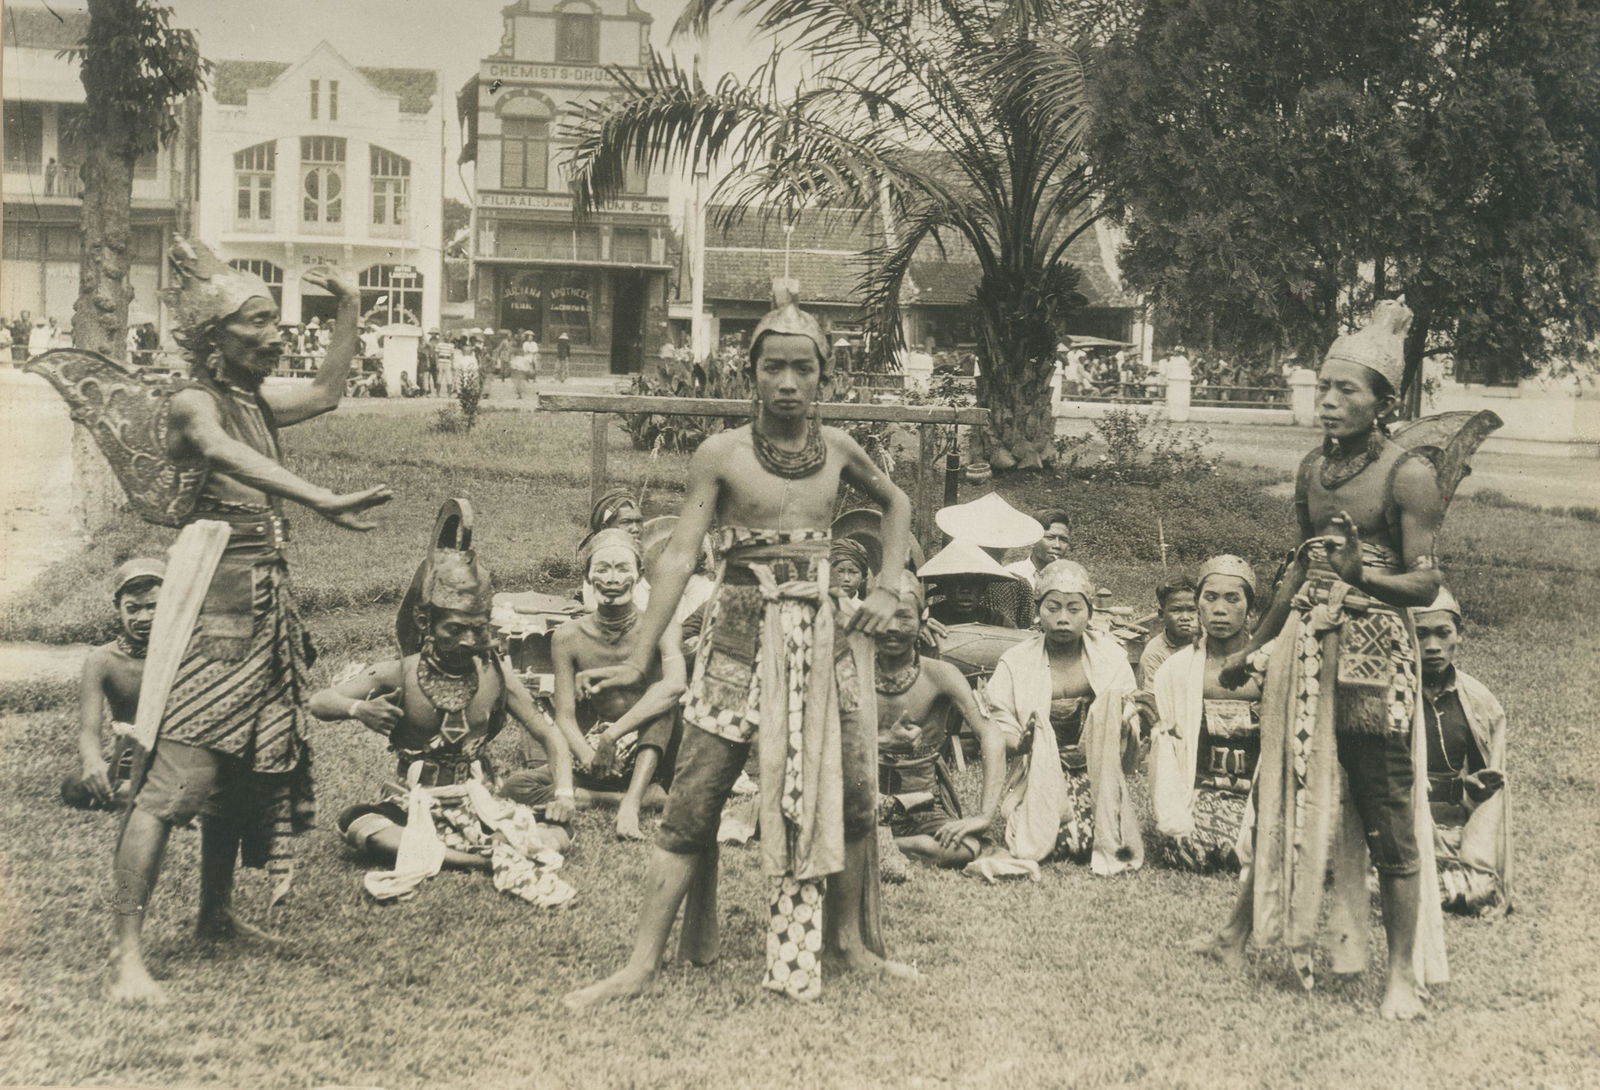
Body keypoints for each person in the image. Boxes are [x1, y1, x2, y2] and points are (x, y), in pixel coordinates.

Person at [562, 282, 916, 1007]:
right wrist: (639, 652)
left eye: (804, 368)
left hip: (821, 634)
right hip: (737, 635)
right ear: (747, 373)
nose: (788, 383)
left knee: (847, 787)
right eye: (772, 368)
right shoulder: (720, 453)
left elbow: (898, 503)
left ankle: (845, 943)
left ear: (825, 375)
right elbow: (677, 555)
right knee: (695, 793)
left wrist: (885, 585)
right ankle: (640, 963)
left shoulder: (842, 448)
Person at [97, 241, 391, 1004]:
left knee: (235, 772)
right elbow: (220, 450)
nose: (274, 335)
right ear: (214, 336)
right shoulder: (194, 402)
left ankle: (215, 918)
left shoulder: (257, 398)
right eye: (257, 323)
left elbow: (326, 391)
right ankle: (127, 955)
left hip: (265, 608)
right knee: (174, 780)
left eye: (274, 320)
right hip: (214, 612)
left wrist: (352, 309)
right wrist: (318, 496)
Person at [1195, 300, 1447, 1020]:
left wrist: (1361, 575)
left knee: (1384, 805)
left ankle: (1402, 974)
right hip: (1306, 650)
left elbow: (1426, 581)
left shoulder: (1410, 475)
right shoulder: (1314, 468)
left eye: (1348, 391)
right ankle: (1238, 930)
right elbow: (1298, 570)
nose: (1331, 402)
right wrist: (1256, 644)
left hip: (1374, 658)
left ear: (1384, 401)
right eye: (1325, 388)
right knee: (1281, 784)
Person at [312, 545, 575, 905]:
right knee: (357, 823)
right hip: (412, 803)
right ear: (426, 624)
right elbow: (320, 701)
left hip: (479, 802)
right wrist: (359, 709)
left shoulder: (496, 673)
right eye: (455, 629)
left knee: (560, 830)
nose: (468, 641)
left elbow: (550, 734)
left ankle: (450, 851)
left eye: (478, 630)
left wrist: (564, 794)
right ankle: (480, 857)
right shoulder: (400, 672)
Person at [504, 528, 685, 841]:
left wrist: (613, 736)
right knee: (514, 787)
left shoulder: (662, 624)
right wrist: (588, 755)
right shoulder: (568, 637)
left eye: (622, 568)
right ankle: (631, 798)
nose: (612, 579)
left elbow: (675, 686)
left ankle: (631, 802)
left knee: (661, 701)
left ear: (640, 574)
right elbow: (565, 716)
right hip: (598, 751)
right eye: (602, 569)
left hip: (651, 749)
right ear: (587, 577)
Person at [985, 561, 1144, 873]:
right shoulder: (1015, 661)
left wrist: (1125, 722)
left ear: (1090, 612)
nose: (1062, 619)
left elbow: (1128, 711)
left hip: (1095, 772)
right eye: (1053, 608)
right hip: (1039, 771)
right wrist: (1021, 741)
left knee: (1091, 841)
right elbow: (997, 721)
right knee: (1046, 842)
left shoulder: (1111, 657)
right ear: (1038, 610)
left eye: (1074, 609)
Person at [875, 574, 1006, 868]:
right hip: (858, 801)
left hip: (921, 808)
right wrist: (882, 742)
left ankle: (876, 846)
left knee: (965, 847)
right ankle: (874, 843)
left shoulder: (940, 675)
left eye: (904, 617)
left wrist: (984, 815)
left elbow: (991, 735)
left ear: (923, 619)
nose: (892, 627)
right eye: (883, 616)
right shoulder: (850, 670)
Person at [1147, 556, 1261, 873]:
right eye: (1210, 598)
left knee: (1257, 847)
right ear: (1198, 605)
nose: (1220, 609)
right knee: (1189, 849)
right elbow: (1168, 753)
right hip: (1201, 790)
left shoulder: (1271, 667)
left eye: (1232, 598)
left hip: (1257, 795)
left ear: (1251, 610)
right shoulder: (1175, 671)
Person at [1414, 588, 1511, 917]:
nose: (1432, 647)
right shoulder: (1390, 693)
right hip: (1406, 827)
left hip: (1456, 831)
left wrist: (1475, 788)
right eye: (1420, 634)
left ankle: (1443, 882)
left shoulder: (1480, 700)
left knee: (1480, 888)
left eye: (1443, 633)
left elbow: (1490, 793)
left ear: (1460, 635)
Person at [62, 559, 166, 811]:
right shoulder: (101, 660)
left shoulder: (185, 653)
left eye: (153, 607)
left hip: (178, 758)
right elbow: (89, 730)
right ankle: (155, 800)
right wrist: (92, 761)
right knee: (73, 786)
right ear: (117, 606)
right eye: (133, 608)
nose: (143, 617)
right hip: (130, 761)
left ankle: (145, 799)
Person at [919, 540, 1014, 628]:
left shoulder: (998, 622)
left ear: (983, 588)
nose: (965, 590)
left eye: (974, 582)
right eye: (957, 581)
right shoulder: (926, 618)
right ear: (944, 586)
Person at [1138, 575, 1198, 688]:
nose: (1185, 617)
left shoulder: (1211, 642)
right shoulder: (1155, 654)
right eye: (1176, 610)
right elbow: (1152, 699)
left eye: (1192, 610)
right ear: (1161, 615)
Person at [1004, 509, 1072, 589]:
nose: (1057, 545)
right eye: (1050, 538)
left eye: (1063, 540)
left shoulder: (1072, 580)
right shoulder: (1011, 575)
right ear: (1033, 540)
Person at [829, 536, 871, 604]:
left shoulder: (864, 609)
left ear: (863, 576)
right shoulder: (824, 605)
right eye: (840, 571)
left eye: (853, 572)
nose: (846, 579)